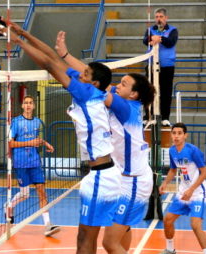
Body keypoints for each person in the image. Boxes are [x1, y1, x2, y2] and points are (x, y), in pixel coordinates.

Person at [0, 19, 121, 254]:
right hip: (101, 173)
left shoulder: (86, 92)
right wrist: (22, 32)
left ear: (93, 82)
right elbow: (53, 58)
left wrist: (18, 41)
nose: (79, 73)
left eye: (85, 73)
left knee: (89, 240)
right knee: (85, 237)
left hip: (102, 177)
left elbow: (51, 65)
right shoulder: (91, 88)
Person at [56, 30, 156, 253]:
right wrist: (65, 55)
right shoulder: (121, 98)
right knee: (121, 233)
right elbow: (89, 75)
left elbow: (92, 85)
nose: (117, 86)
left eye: (123, 84)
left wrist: (63, 66)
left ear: (133, 95)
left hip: (134, 182)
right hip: (120, 177)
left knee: (109, 242)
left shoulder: (126, 108)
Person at [7, 95, 59, 236]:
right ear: (22, 106)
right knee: (25, 194)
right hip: (21, 161)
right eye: (26, 102)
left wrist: (44, 142)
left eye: (31, 103)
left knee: (42, 191)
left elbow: (34, 139)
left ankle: (48, 225)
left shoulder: (37, 122)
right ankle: (9, 206)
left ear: (34, 106)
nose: (28, 105)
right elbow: (11, 143)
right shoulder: (16, 122)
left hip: (34, 161)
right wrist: (29, 143)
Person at [159, 123, 206, 254]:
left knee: (195, 225)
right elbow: (172, 169)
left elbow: (205, 173)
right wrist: (165, 183)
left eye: (179, 133)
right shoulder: (172, 150)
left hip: (197, 193)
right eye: (174, 133)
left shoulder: (193, 150)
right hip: (183, 192)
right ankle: (170, 249)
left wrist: (191, 190)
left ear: (185, 135)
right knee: (168, 219)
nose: (176, 136)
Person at [143, 8, 178, 127]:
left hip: (167, 66)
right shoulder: (150, 30)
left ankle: (165, 117)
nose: (159, 19)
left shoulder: (173, 30)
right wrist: (151, 38)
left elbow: (171, 42)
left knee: (166, 92)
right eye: (157, 17)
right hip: (151, 65)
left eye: (161, 16)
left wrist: (160, 39)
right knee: (149, 91)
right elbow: (144, 40)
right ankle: (148, 116)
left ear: (166, 18)